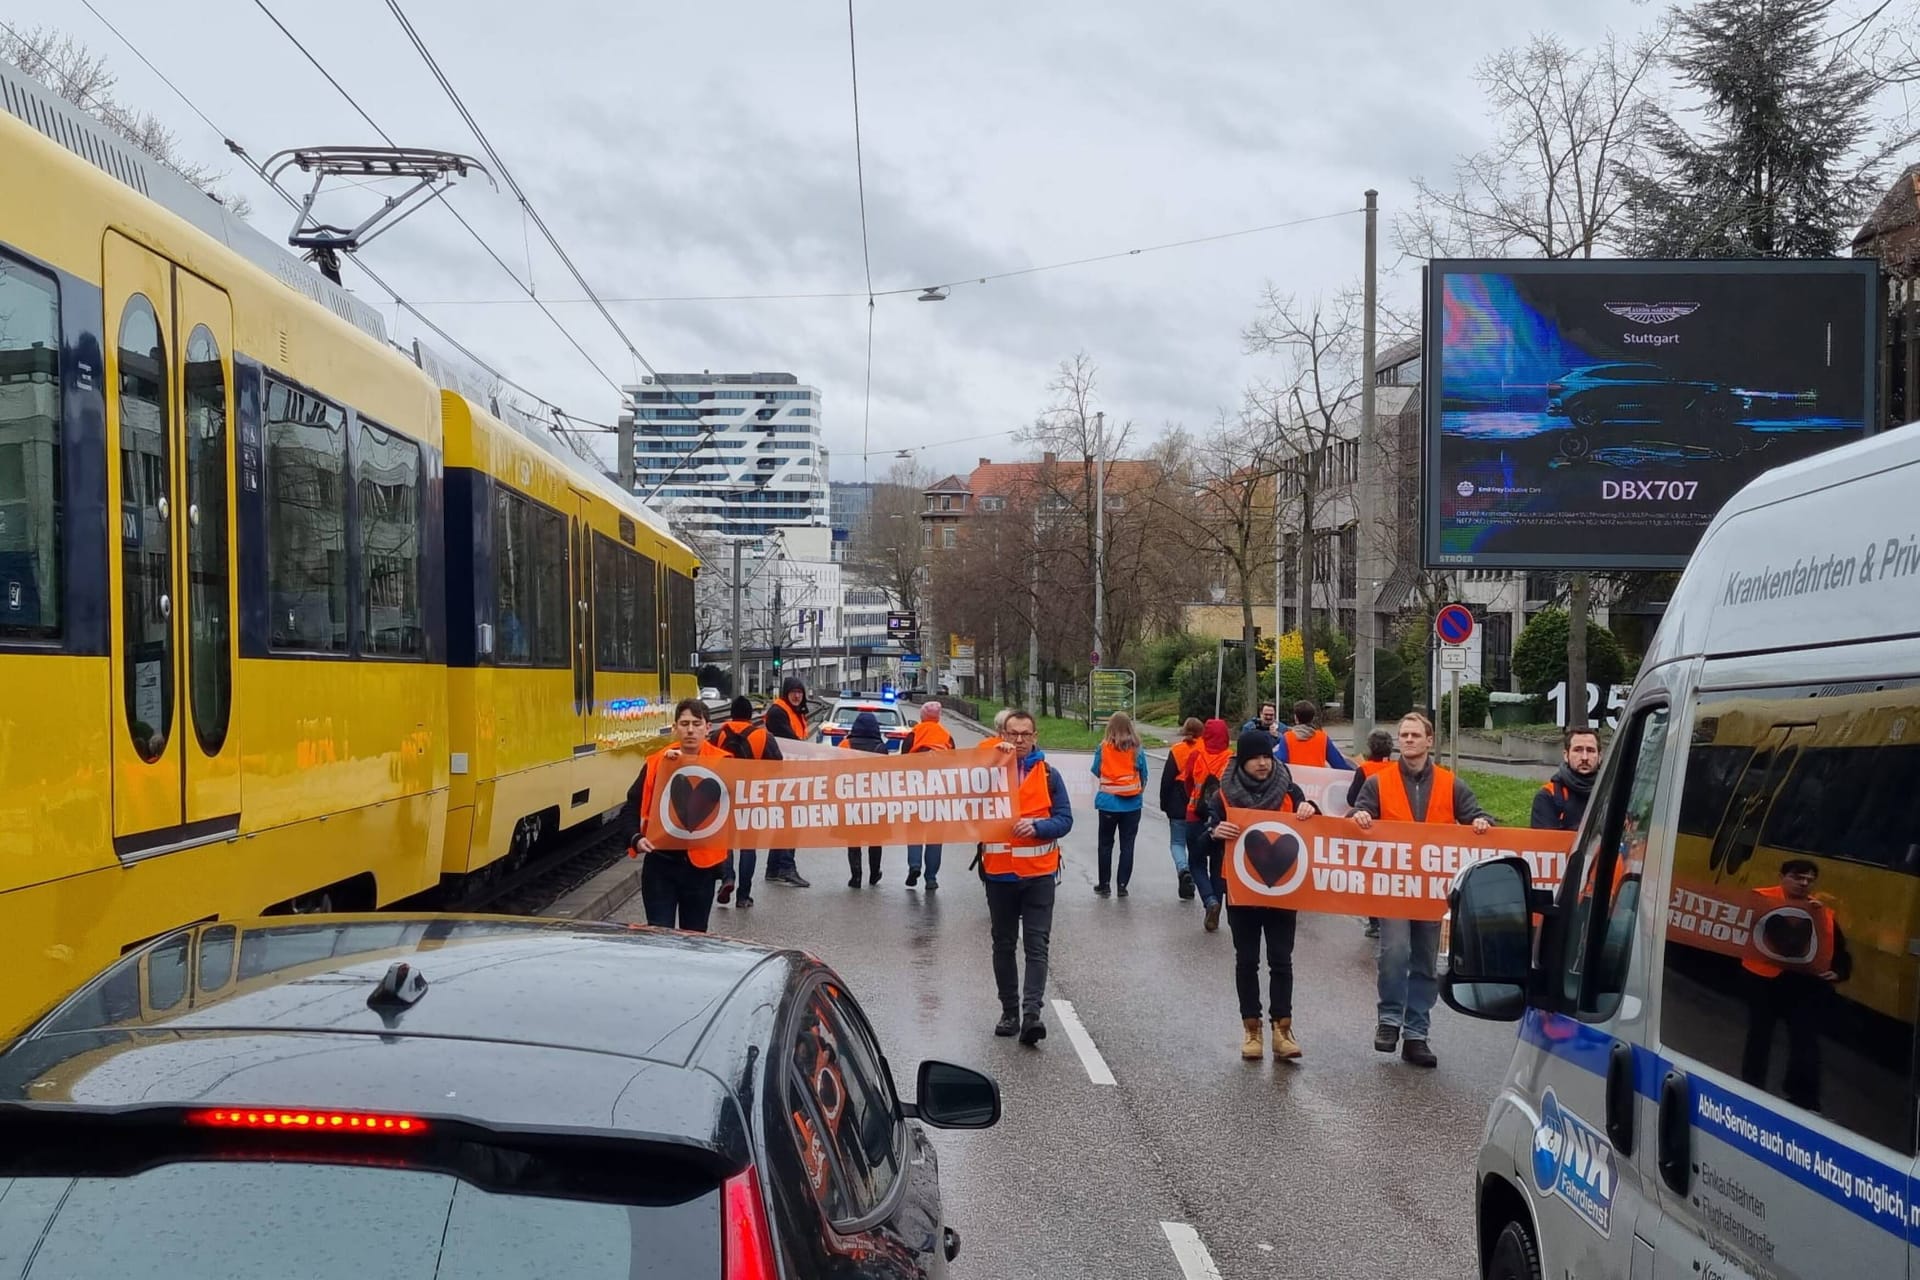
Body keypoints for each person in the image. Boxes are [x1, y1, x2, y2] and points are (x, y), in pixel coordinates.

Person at [1351, 712, 1495, 1069]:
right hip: (1394, 887)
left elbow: (1476, 814)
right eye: (1404, 735)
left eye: (1416, 735)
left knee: (1425, 963)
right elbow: (1359, 814)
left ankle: (1416, 1034)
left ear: (1430, 741)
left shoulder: (1450, 783)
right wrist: (1360, 817)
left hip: (1432, 890)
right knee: (1395, 952)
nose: (1409, 740)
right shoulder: (1379, 783)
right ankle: (1389, 1021)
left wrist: (1481, 822)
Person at [1205, 728, 1319, 1060]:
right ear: (1242, 760)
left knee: (1281, 959)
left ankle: (1282, 1030)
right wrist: (1214, 832)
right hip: (1242, 891)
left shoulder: (1290, 790)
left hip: (1283, 890)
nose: (1263, 763)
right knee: (1248, 960)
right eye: (1255, 757)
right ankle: (1251, 1029)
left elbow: (1316, 826)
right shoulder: (1222, 796)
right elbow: (1200, 838)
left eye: (1267, 756)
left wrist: (1311, 810)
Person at [980, 710, 1073, 1045]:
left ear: (1035, 736)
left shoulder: (1049, 775)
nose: (1019, 740)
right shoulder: (984, 773)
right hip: (999, 875)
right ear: (1002, 734)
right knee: (1003, 944)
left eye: (1025, 734)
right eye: (1012, 733)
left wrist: (1038, 827)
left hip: (1039, 875)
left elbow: (1065, 820)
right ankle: (1009, 1012)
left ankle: (1032, 1014)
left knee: (1037, 945)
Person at [1740, 859, 1850, 1111]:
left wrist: (1839, 972)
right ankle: (1750, 1088)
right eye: (1798, 877)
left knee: (1805, 1040)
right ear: (1782, 876)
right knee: (1759, 1036)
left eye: (1809, 879)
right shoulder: (1760, 900)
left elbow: (1838, 950)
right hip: (1763, 982)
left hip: (1802, 987)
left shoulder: (1820, 913)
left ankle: (1804, 1097)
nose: (1804, 883)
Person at [627, 698, 734, 932]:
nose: (690, 730)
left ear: (708, 728)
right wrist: (635, 837)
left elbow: (741, 807)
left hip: (701, 868)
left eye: (696, 724)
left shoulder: (725, 764)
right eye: (684, 723)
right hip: (661, 865)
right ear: (675, 727)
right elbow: (632, 804)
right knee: (660, 936)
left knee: (693, 939)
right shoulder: (657, 763)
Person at [711, 696, 782, 908]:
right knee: (748, 847)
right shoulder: (762, 736)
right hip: (751, 797)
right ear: (751, 714)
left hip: (725, 795)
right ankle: (743, 896)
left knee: (726, 843)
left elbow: (705, 761)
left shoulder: (718, 734)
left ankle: (727, 878)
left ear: (731, 713)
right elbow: (778, 765)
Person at [1181, 717, 1235, 931]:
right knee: (1217, 866)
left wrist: (1194, 799)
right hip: (1221, 819)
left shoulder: (1196, 755)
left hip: (1196, 815)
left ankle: (1209, 901)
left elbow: (1187, 783)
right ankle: (1217, 908)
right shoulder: (1231, 758)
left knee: (1196, 862)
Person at [1090, 711, 1149, 897]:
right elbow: (1144, 775)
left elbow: (1096, 769)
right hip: (1132, 805)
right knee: (1127, 846)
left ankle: (1104, 884)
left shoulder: (1103, 747)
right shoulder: (1137, 749)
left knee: (1105, 845)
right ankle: (1122, 886)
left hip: (1108, 804)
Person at [760, 677, 811, 888]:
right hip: (785, 775)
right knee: (792, 820)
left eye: (800, 692)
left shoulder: (793, 712)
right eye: (793, 692)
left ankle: (774, 868)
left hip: (791, 773)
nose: (797, 695)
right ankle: (787, 867)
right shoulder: (778, 712)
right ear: (786, 693)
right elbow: (791, 742)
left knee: (786, 820)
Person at [1348, 728, 1395, 939]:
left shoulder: (1364, 770)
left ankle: (1375, 922)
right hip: (1394, 829)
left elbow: (1352, 799)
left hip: (1370, 829)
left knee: (1373, 876)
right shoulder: (1396, 769)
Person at [905, 701, 956, 889]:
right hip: (939, 794)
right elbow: (954, 762)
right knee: (935, 837)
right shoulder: (946, 736)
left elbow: (902, 762)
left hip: (916, 792)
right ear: (939, 717)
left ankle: (914, 866)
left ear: (921, 716)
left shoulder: (914, 733)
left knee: (914, 832)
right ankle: (931, 878)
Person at [840, 710, 889, 887]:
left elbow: (836, 770)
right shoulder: (881, 748)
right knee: (875, 839)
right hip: (874, 802)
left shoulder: (846, 744)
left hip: (851, 800)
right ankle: (874, 874)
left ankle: (856, 876)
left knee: (853, 839)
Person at [1159, 718, 1202, 900]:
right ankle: (1192, 876)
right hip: (1198, 803)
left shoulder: (1177, 750)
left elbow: (1167, 780)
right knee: (1194, 844)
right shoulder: (1204, 749)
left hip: (1177, 803)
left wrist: (1164, 802)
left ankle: (1183, 869)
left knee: (1177, 843)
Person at [1532, 726, 1602, 832]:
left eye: (1590, 750)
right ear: (1566, 755)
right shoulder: (1549, 795)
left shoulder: (1612, 793)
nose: (1584, 757)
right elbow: (1544, 844)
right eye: (1577, 750)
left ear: (1599, 756)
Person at [1274, 700, 1353, 770]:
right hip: (1317, 783)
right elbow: (1338, 764)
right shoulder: (1322, 737)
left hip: (1295, 780)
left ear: (1296, 718)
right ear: (1312, 718)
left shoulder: (1288, 737)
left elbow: (1280, 761)